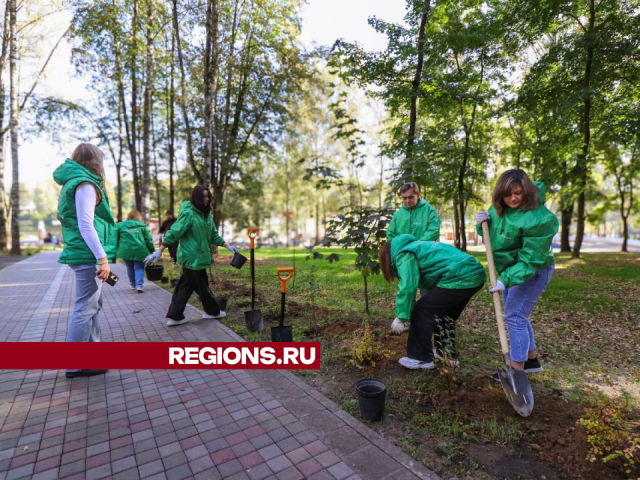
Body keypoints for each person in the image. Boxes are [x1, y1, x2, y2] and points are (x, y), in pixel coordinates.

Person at [476, 169, 558, 376]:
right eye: (507, 194)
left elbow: (531, 260)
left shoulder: (539, 219)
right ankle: (531, 361)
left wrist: (506, 280)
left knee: (514, 316)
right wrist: (482, 224)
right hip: (508, 269)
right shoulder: (497, 210)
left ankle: (516, 371)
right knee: (518, 314)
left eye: (518, 193)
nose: (512, 198)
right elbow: (493, 237)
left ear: (526, 192)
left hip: (534, 269)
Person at [54, 143, 116, 378]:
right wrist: (102, 259)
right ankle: (75, 363)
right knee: (84, 308)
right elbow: (86, 225)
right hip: (88, 255)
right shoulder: (86, 184)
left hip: (83, 253)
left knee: (92, 306)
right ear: (95, 161)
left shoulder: (75, 182)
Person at [379, 234, 486, 369]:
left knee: (421, 311)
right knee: (444, 314)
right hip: (474, 274)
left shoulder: (403, 254)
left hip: (458, 276)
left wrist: (400, 317)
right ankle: (447, 355)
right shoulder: (417, 247)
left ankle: (420, 358)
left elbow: (408, 286)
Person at [146, 185, 239, 326]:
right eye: (203, 196)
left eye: (208, 196)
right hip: (191, 257)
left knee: (186, 286)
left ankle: (175, 316)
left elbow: (213, 234)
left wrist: (227, 245)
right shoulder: (189, 213)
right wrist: (160, 250)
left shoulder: (206, 215)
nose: (207, 199)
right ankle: (212, 311)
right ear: (196, 197)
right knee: (202, 287)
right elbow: (174, 232)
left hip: (200, 258)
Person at [116, 210, 155, 292]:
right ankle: (139, 286)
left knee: (129, 268)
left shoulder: (120, 225)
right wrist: (152, 250)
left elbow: (115, 238)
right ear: (138, 217)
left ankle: (133, 285)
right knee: (139, 267)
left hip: (125, 251)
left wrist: (116, 248)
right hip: (139, 250)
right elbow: (148, 240)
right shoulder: (142, 226)